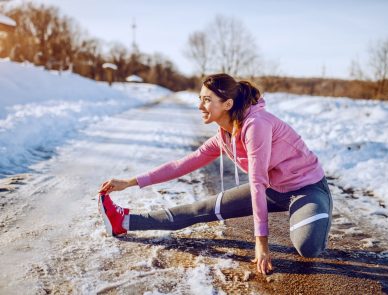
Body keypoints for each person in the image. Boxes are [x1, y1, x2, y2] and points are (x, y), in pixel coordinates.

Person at [98, 73, 333, 275]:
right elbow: (183, 164)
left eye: (207, 100)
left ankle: (317, 214)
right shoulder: (225, 134)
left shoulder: (256, 125)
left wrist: (261, 243)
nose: (200, 106)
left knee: (307, 246)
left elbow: (257, 181)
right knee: (202, 209)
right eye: (200, 99)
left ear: (228, 104)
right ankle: (124, 221)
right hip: (273, 189)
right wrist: (130, 182)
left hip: (306, 189)